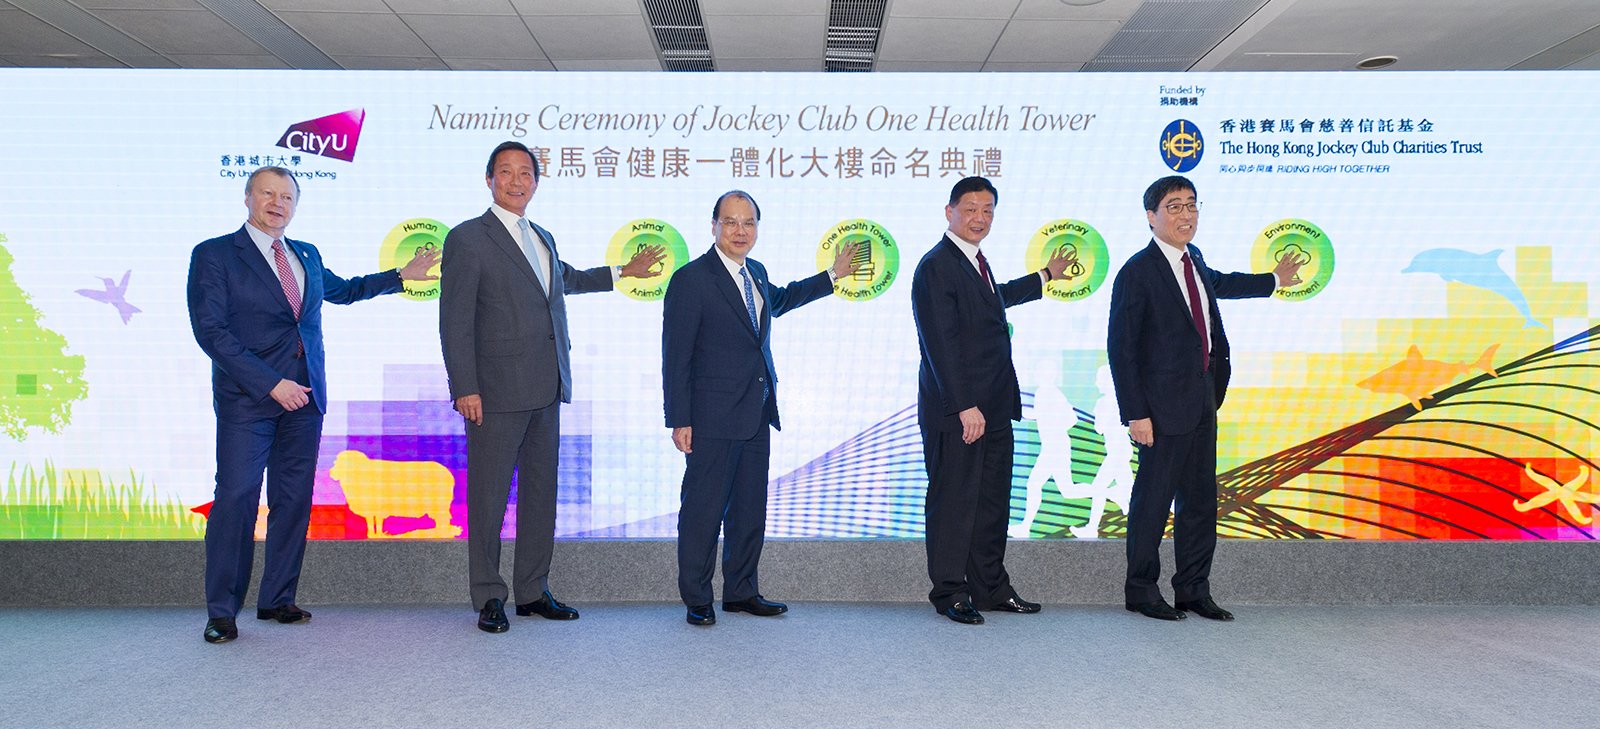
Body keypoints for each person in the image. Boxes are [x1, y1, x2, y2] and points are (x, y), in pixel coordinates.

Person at [187, 166, 439, 644]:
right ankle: (221, 611)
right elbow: (211, 332)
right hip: (249, 400)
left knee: (293, 501)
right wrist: (269, 383)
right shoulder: (215, 254)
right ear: (247, 197)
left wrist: (400, 277)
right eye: (267, 193)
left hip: (306, 399)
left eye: (287, 196)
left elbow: (343, 291)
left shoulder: (305, 254)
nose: (277, 203)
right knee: (237, 498)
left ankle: (277, 598)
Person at [439, 141, 664, 634]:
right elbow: (454, 320)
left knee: (542, 496)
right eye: (506, 172)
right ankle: (488, 596)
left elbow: (561, 281)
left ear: (536, 183)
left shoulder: (541, 235)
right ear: (489, 179)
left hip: (546, 387)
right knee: (489, 499)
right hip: (493, 394)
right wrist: (465, 386)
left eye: (525, 173)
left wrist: (622, 273)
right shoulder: (467, 238)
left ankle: (532, 591)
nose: (516, 181)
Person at [1107, 175, 1302, 622]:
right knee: (1152, 503)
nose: (1186, 214)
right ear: (1151, 217)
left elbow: (1219, 283)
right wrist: (1136, 413)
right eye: (1173, 207)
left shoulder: (1193, 259)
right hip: (1159, 411)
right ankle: (1140, 589)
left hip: (1201, 402)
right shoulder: (1136, 272)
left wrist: (1273, 280)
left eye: (1192, 205)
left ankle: (1193, 589)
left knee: (1199, 502)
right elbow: (1122, 349)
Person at [661, 190, 860, 626]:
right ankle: (697, 596)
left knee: (749, 509)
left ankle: (741, 591)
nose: (739, 231)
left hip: (756, 412)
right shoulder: (691, 279)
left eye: (748, 223)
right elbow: (675, 355)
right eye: (730, 222)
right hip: (710, 417)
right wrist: (679, 418)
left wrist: (832, 276)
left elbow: (783, 299)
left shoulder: (756, 272)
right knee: (703, 511)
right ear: (713, 226)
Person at [911, 176, 1074, 625]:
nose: (979, 218)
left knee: (991, 503)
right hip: (958, 412)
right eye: (970, 209)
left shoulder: (974, 263)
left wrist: (1044, 277)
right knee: (955, 502)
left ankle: (989, 586)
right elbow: (939, 342)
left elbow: (993, 302)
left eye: (987, 210)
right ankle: (949, 591)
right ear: (950, 212)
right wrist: (964, 405)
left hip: (994, 407)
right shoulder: (936, 266)